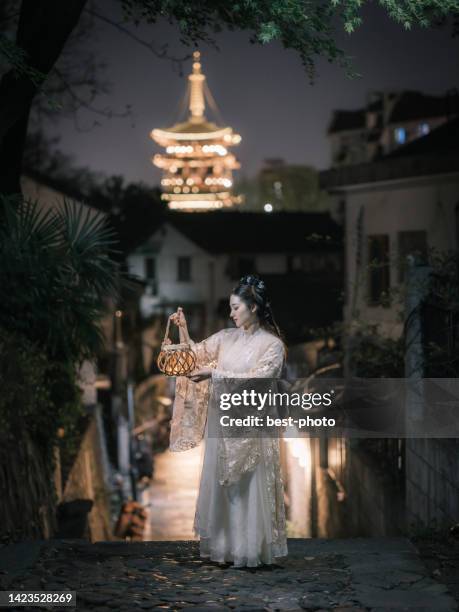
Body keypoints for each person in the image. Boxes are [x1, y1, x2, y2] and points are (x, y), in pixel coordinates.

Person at [168, 274, 288, 568]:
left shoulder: (272, 346)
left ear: (253, 307)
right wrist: (183, 330)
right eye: (231, 308)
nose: (231, 313)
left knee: (249, 486)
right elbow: (194, 356)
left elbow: (260, 380)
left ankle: (250, 550)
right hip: (223, 425)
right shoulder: (225, 338)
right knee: (223, 486)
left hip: (253, 427)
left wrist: (215, 374)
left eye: (236, 307)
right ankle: (224, 549)